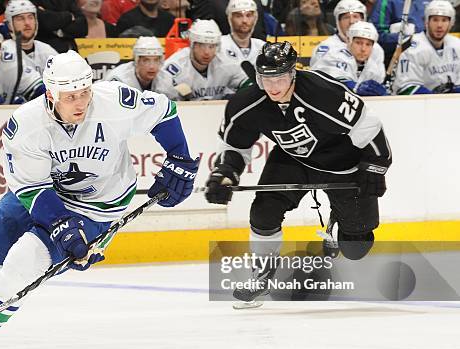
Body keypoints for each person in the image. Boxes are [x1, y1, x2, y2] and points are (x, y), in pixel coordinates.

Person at [0, 50, 199, 349]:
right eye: (70, 96)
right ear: (51, 94)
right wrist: (62, 226)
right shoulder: (26, 125)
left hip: (97, 206)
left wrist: (180, 158)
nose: (80, 102)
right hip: (39, 194)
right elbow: (32, 188)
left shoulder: (114, 101)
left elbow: (163, 110)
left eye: (84, 92)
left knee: (23, 263)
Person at [205, 42, 392, 307]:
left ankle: (338, 220)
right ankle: (261, 275)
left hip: (342, 162)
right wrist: (225, 174)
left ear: (293, 73)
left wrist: (376, 165)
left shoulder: (324, 93)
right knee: (263, 212)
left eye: (279, 78)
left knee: (356, 247)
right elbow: (234, 145)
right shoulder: (247, 103)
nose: (272, 87)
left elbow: (369, 126)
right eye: (265, 78)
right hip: (293, 159)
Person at [161, 19, 250, 101]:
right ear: (192, 44)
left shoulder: (226, 61)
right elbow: (162, 102)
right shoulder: (173, 69)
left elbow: (248, 84)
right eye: (201, 45)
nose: (207, 52)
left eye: (211, 46)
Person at [394, 0, 460, 95]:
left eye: (444, 20)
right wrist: (435, 99)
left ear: (451, 23)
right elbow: (406, 88)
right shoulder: (412, 47)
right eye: (435, 20)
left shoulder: (457, 45)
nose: (439, 25)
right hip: (416, 105)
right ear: (427, 21)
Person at [310, 21, 387, 96]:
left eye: (368, 44)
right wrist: (354, 87)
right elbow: (332, 81)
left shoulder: (373, 65)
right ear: (348, 41)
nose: (363, 49)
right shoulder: (335, 55)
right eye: (358, 43)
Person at [311, 0, 385, 69]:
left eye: (355, 16)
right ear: (338, 22)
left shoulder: (375, 48)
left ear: (363, 20)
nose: (351, 21)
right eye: (346, 17)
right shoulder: (325, 48)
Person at [104, 36, 177, 97]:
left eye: (156, 60)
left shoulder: (165, 79)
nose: (152, 66)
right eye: (146, 60)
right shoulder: (119, 80)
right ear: (136, 61)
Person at [1, 0, 59, 76]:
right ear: (9, 24)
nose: (27, 23)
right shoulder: (4, 52)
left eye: (30, 17)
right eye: (20, 19)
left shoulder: (47, 50)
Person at [220, 0, 266, 65]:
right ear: (230, 18)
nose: (244, 20)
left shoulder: (262, 47)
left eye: (248, 15)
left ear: (255, 18)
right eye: (239, 16)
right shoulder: (219, 46)